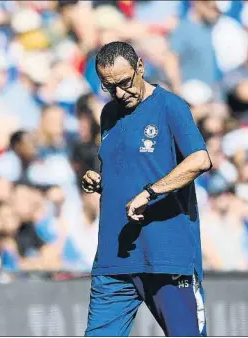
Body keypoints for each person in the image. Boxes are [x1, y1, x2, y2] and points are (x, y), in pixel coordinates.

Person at [81, 41, 212, 337]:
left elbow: (200, 159)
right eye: (109, 86)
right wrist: (101, 182)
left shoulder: (170, 106)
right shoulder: (108, 114)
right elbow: (128, 168)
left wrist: (150, 192)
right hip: (114, 262)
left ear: (140, 66)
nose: (119, 93)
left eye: (125, 83)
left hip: (166, 256)